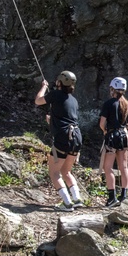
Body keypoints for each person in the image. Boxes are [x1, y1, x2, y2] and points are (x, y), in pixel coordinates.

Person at [35, 71, 83, 211]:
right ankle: (77, 199)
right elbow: (67, 117)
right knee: (66, 171)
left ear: (59, 82)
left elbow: (38, 101)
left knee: (54, 173)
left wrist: (44, 87)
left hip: (62, 138)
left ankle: (67, 203)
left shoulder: (55, 94)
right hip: (76, 137)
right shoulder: (73, 100)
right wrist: (53, 121)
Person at [99, 77, 128, 207]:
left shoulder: (109, 103)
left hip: (111, 136)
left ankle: (112, 197)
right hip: (124, 136)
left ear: (112, 89)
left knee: (108, 167)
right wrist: (123, 127)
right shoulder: (127, 105)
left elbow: (102, 123)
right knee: (124, 167)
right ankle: (124, 195)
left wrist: (106, 130)